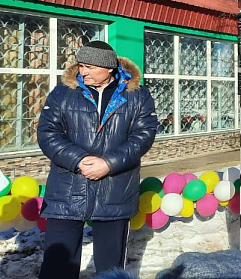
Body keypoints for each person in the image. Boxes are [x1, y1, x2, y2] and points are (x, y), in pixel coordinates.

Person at [37, 41, 157, 279]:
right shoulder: (63, 92)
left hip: (115, 188)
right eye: (81, 65)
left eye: (90, 66)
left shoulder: (138, 95)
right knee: (57, 266)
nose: (83, 72)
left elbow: (143, 136)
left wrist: (108, 163)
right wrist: (79, 160)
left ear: (109, 68)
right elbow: (47, 133)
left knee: (110, 269)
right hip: (67, 187)